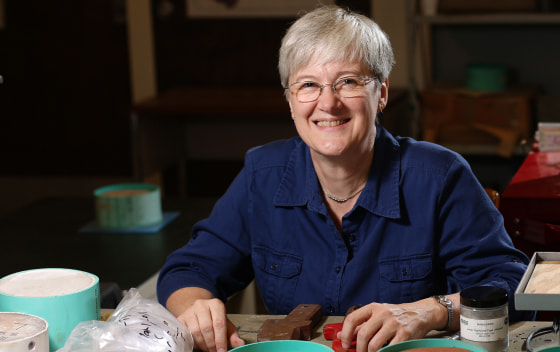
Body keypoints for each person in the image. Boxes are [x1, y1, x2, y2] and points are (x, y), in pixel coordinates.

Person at [157, 5, 534, 352]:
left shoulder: (440, 176)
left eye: (348, 82)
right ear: (290, 102)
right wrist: (195, 308)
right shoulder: (263, 174)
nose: (328, 103)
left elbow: (512, 284)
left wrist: (430, 311)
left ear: (381, 93)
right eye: (308, 85)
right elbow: (188, 270)